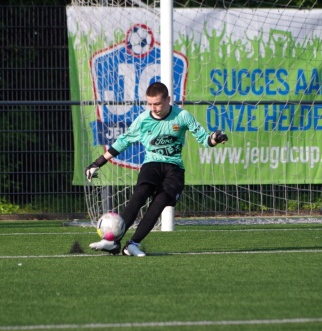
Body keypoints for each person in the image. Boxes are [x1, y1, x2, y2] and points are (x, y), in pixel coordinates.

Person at [86, 82, 228, 257]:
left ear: (168, 99)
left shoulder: (182, 116)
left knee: (159, 203)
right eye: (150, 104)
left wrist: (215, 138)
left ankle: (132, 244)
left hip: (174, 168)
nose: (154, 108)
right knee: (139, 195)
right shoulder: (143, 119)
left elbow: (205, 140)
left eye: (158, 104)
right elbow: (123, 141)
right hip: (152, 164)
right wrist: (97, 163)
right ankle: (112, 242)